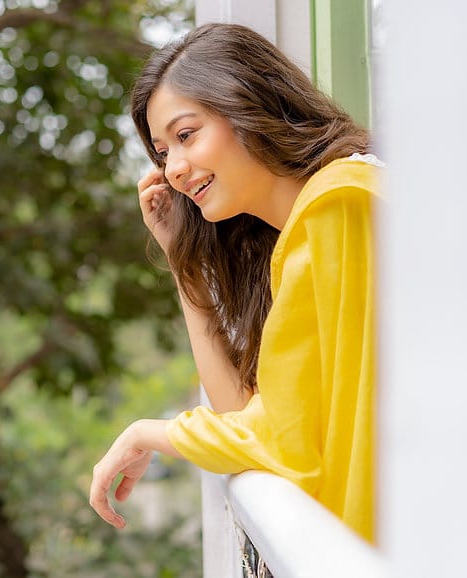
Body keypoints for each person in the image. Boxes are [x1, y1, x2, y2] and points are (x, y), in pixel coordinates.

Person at [88, 22, 382, 543]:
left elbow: (288, 443)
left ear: (248, 103)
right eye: (162, 153)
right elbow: (247, 415)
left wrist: (148, 433)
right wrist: (183, 262)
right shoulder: (304, 228)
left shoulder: (342, 203)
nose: (173, 170)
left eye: (186, 135)